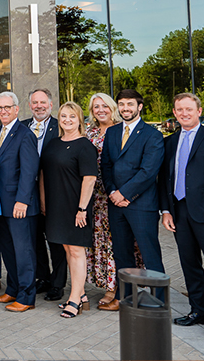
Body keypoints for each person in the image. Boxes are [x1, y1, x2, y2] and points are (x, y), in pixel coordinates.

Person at [98, 89, 165, 311]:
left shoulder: (152, 135)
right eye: (122, 104)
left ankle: (159, 302)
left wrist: (124, 194)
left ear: (140, 107)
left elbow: (148, 171)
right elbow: (105, 166)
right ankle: (126, 299)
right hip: (116, 204)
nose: (125, 108)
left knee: (150, 253)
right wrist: (113, 192)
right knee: (122, 253)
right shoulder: (113, 132)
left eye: (130, 104)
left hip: (141, 204)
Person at [40, 102, 98, 319]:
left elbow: (90, 179)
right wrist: (44, 201)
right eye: (63, 116)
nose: (67, 120)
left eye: (72, 117)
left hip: (76, 207)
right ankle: (80, 294)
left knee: (76, 251)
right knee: (67, 250)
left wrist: (82, 208)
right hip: (56, 206)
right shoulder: (53, 144)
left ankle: (74, 299)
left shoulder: (85, 146)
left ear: (79, 120)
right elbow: (44, 173)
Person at [160, 93, 204, 328]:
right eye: (180, 109)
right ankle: (199, 311)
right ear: (174, 112)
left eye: (189, 109)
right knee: (189, 264)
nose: (184, 113)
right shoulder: (169, 142)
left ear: (199, 111)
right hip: (179, 211)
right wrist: (166, 211)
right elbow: (164, 180)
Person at [0, 91, 40, 313]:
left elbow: (29, 172)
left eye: (7, 107)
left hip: (19, 205)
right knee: (7, 250)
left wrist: (22, 201)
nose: (3, 111)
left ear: (17, 109)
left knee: (23, 252)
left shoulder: (25, 134)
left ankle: (27, 297)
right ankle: (12, 289)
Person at [24, 88, 66, 303]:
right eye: (34, 102)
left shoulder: (61, 126)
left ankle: (58, 283)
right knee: (35, 239)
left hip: (55, 192)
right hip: (27, 192)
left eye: (43, 102)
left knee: (56, 240)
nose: (39, 106)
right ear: (29, 105)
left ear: (50, 104)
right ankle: (43, 277)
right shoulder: (22, 127)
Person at [84, 93, 124, 306]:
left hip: (116, 194)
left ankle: (115, 289)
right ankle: (106, 283)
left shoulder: (121, 129)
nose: (100, 110)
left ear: (112, 108)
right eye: (96, 106)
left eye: (104, 106)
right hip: (94, 197)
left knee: (115, 242)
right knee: (100, 242)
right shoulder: (88, 131)